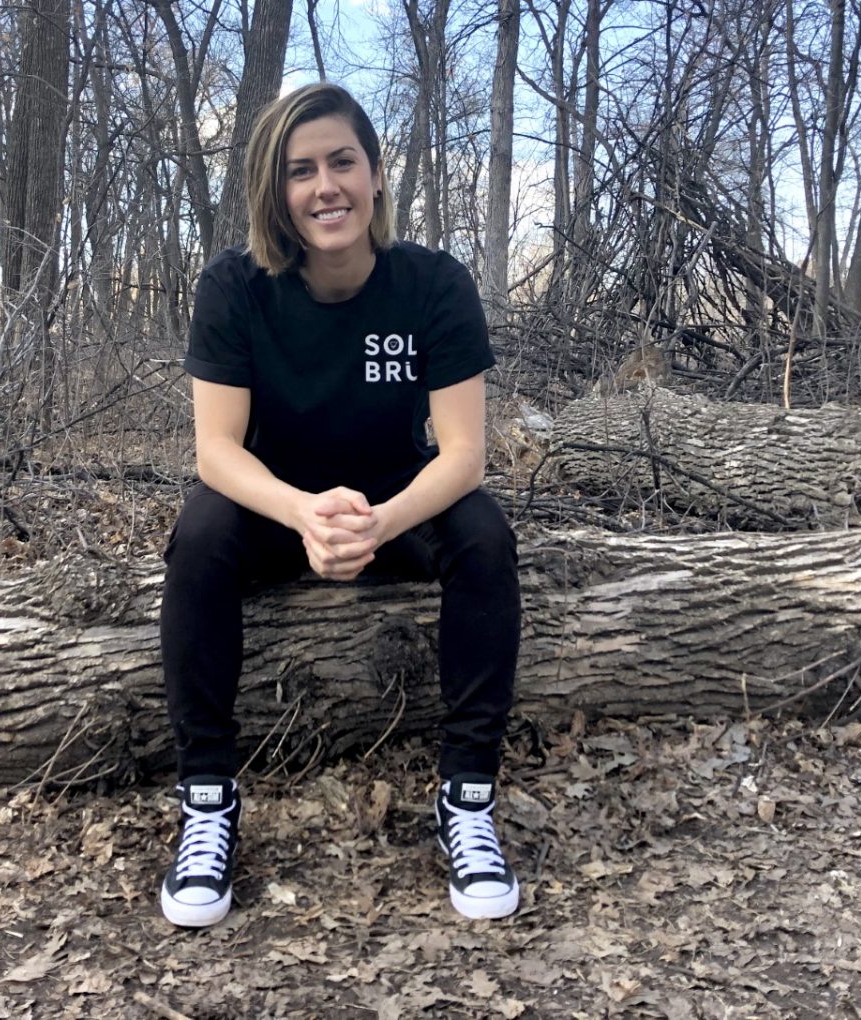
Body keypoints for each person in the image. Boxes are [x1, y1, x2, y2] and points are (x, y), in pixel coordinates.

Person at [159, 82, 522, 927]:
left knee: (486, 536)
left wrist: (379, 522)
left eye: (342, 162)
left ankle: (467, 799)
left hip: (398, 501)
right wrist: (303, 514)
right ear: (275, 194)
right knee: (199, 532)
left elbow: (465, 453)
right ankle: (208, 801)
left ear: (377, 174)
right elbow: (216, 451)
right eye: (300, 171)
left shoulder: (433, 285)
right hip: (275, 506)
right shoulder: (233, 289)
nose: (326, 186)